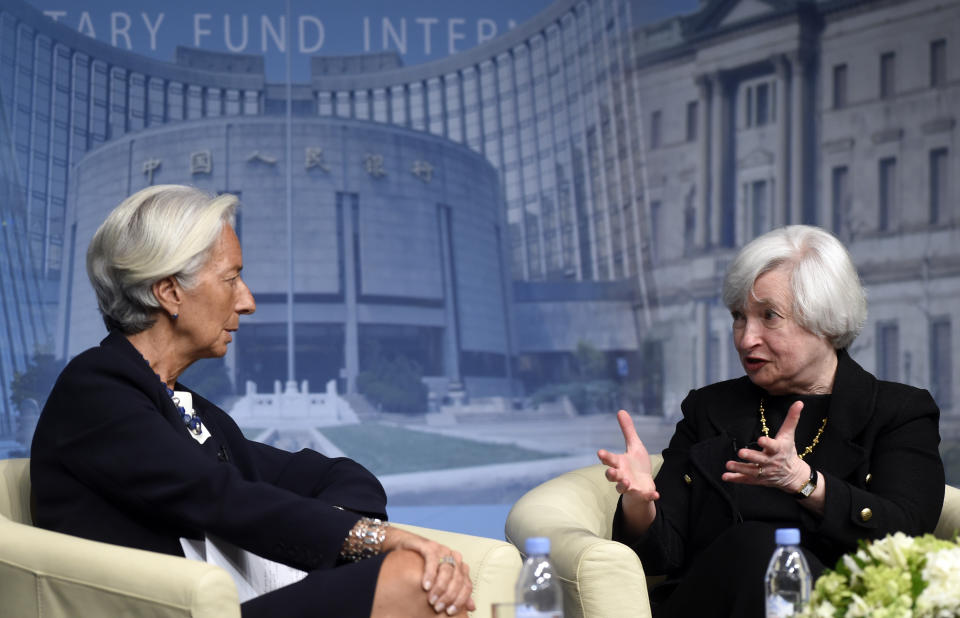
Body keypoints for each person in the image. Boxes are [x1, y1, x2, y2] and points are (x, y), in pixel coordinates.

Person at [31, 185, 475, 618]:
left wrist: (344, 530)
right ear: (169, 293)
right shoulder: (95, 389)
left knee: (430, 576)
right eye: (231, 278)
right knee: (416, 577)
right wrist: (373, 541)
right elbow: (218, 496)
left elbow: (335, 473)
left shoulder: (190, 409)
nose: (248, 301)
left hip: (234, 602)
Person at [597, 225, 945, 617]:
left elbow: (907, 534)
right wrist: (639, 502)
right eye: (739, 317)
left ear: (826, 321)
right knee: (756, 548)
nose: (746, 339)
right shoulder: (710, 408)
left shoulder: (898, 412)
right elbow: (661, 557)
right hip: (710, 607)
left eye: (769, 316)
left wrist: (805, 484)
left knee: (773, 555)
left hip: (844, 607)